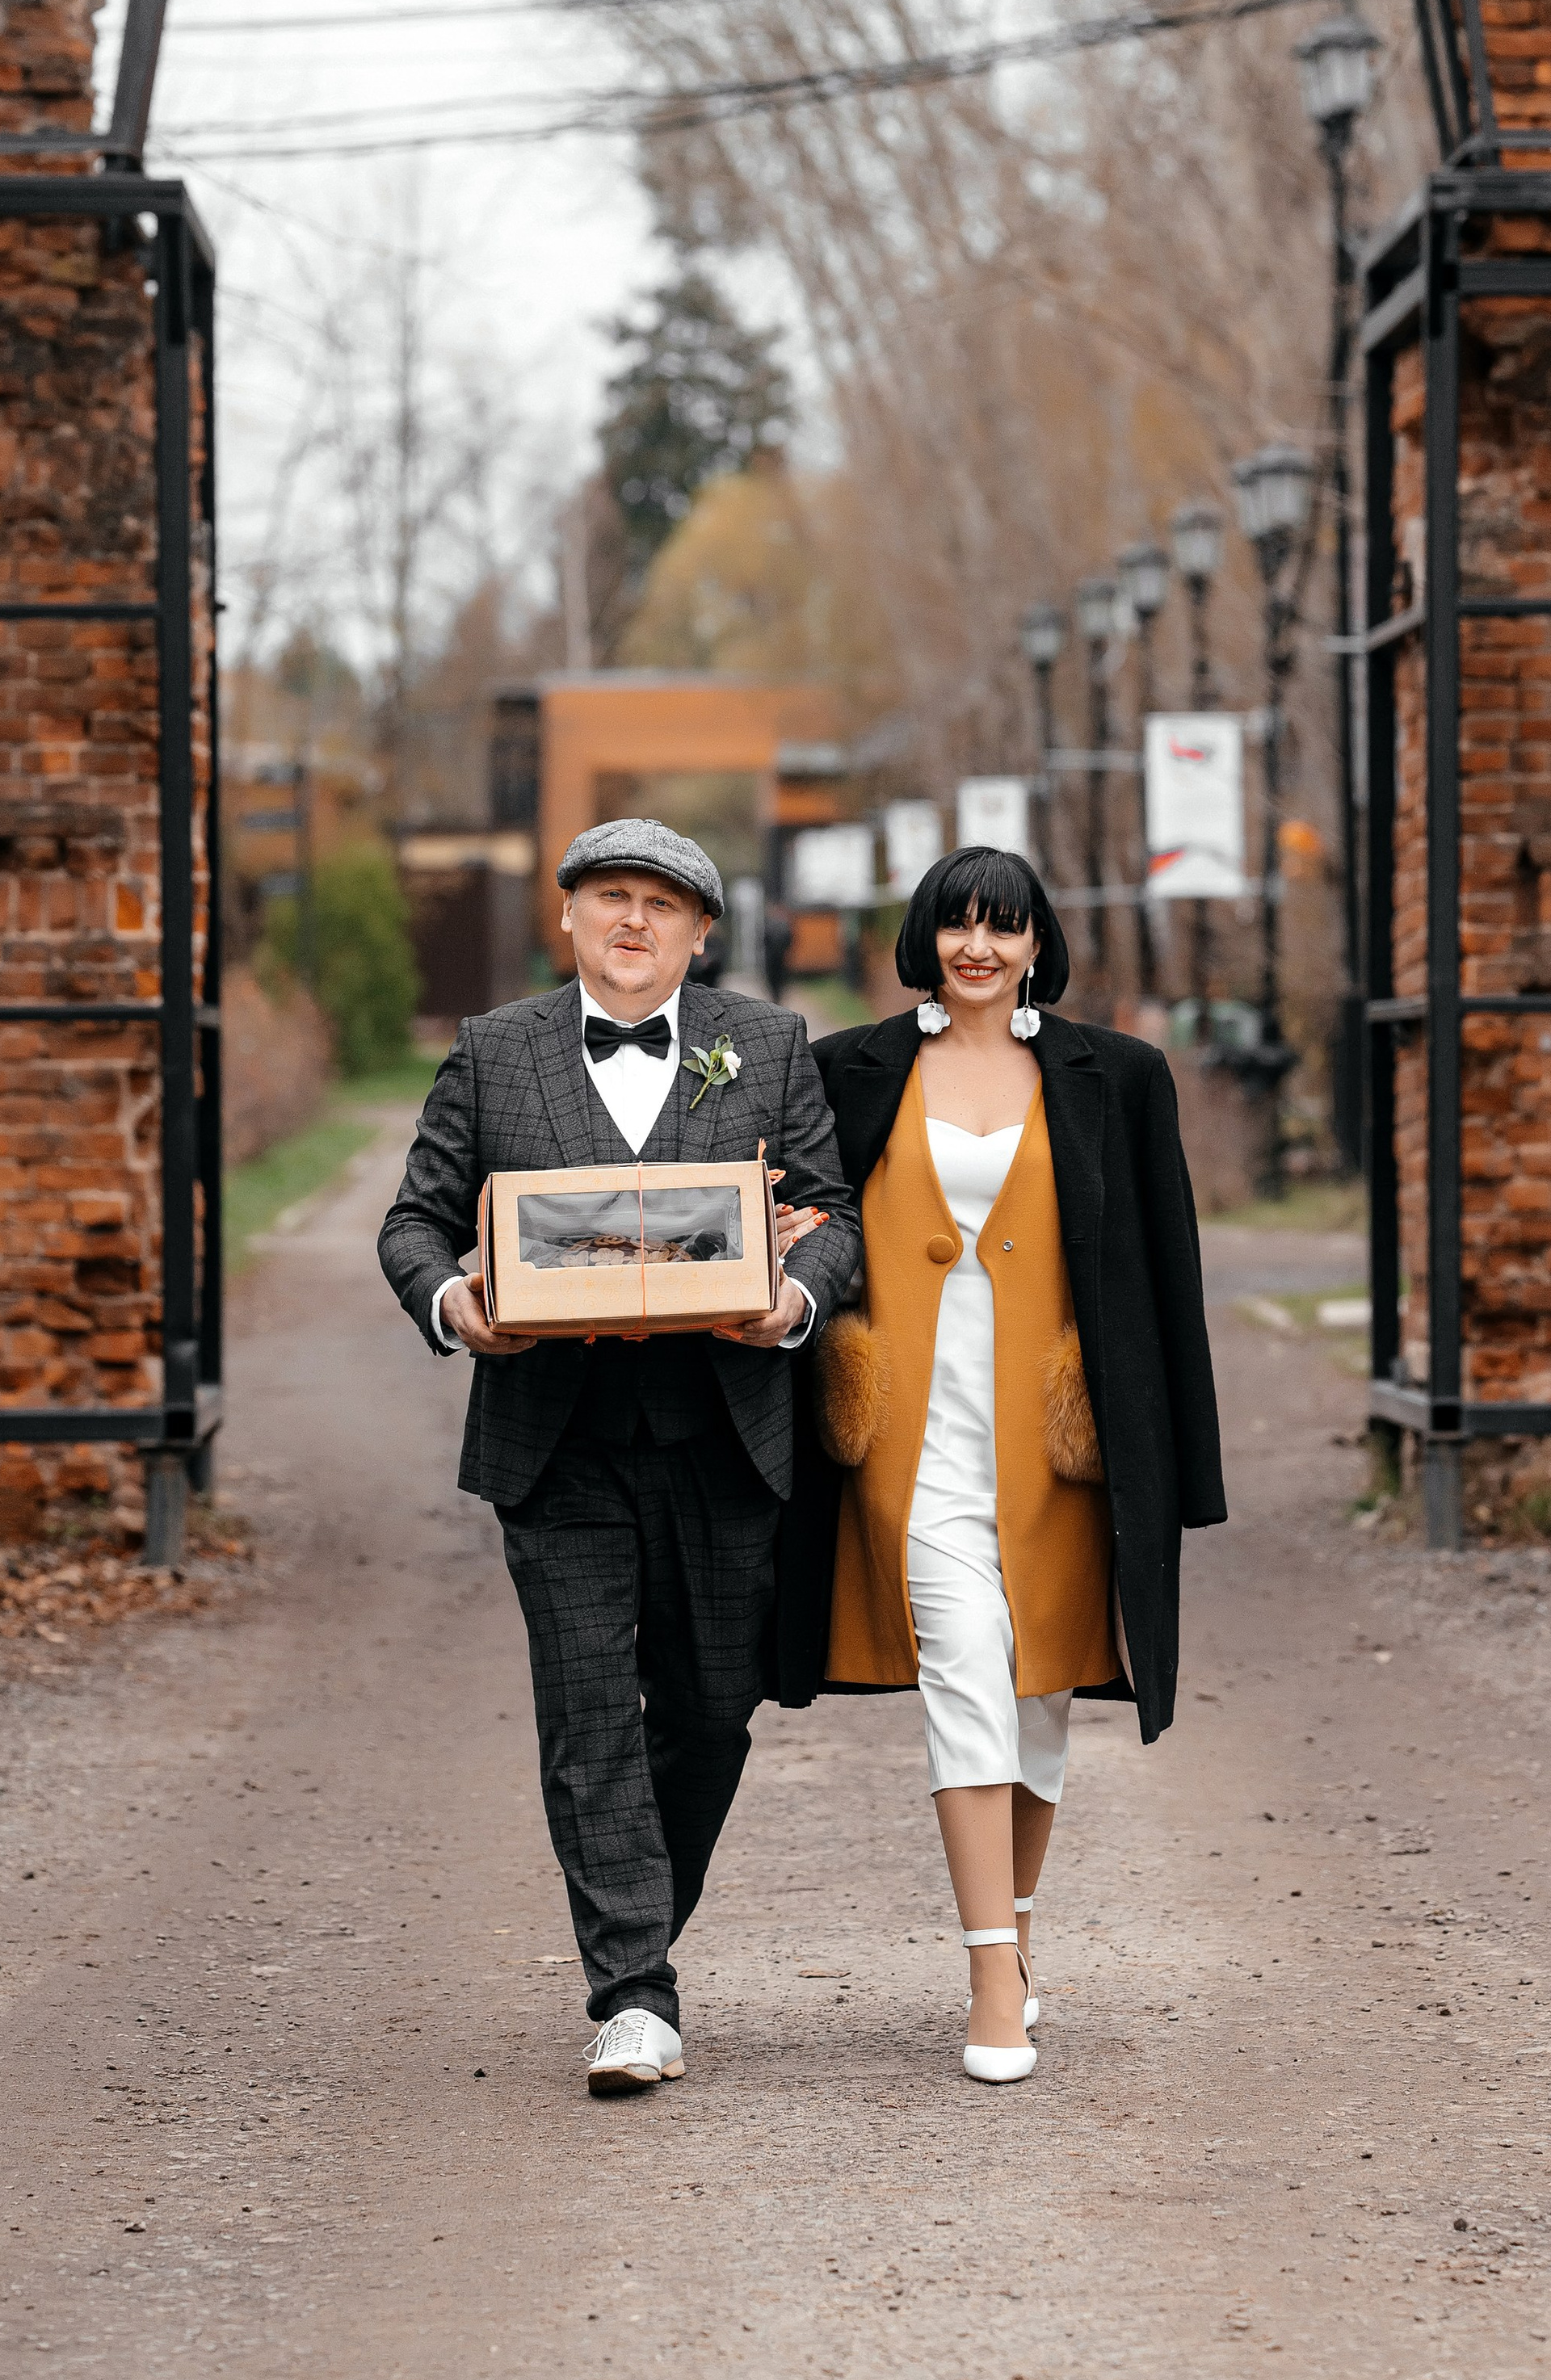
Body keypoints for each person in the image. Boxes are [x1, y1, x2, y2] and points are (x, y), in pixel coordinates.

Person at [377, 817, 860, 2099]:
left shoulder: (766, 1046)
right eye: (608, 898)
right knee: (589, 1713)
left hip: (723, 1435)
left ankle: (636, 1922)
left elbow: (831, 1214)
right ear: (571, 920)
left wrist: (796, 1299)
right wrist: (452, 1305)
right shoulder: (494, 1052)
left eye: (659, 903)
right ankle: (636, 1994)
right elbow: (417, 1219)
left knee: (709, 1712)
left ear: (701, 932)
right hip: (560, 1443)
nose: (632, 921)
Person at [805, 846, 1222, 2083]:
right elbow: (808, 1212)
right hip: (909, 1437)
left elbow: (1168, 1275)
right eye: (954, 925)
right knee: (970, 1675)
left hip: (1057, 1444)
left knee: (1042, 1700)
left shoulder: (1119, 1078)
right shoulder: (849, 1072)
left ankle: (1019, 1931)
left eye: (1003, 925)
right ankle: (991, 1976)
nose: (976, 947)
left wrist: (1184, 1464)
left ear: (1040, 942)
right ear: (924, 940)